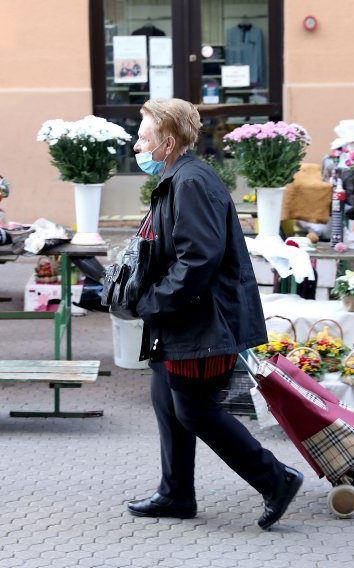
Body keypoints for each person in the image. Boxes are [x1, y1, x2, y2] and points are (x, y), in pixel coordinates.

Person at [126, 98, 303, 530]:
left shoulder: (190, 182)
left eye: (143, 137)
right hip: (186, 318)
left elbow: (198, 260)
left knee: (195, 408)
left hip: (204, 319)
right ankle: (176, 494)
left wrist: (152, 302)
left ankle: (276, 479)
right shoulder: (177, 176)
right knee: (167, 398)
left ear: (167, 143)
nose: (136, 144)